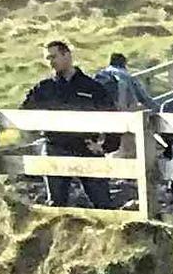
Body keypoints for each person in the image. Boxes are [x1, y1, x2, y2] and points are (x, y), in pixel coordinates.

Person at [20, 40, 118, 209]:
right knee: (57, 204)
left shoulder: (92, 87)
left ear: (67, 55)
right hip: (55, 148)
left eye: (54, 56)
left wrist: (105, 146)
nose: (51, 61)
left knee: (102, 202)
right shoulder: (43, 88)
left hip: (86, 148)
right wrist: (40, 130)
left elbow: (115, 119)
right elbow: (23, 114)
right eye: (47, 58)